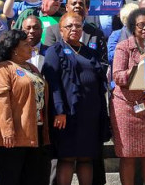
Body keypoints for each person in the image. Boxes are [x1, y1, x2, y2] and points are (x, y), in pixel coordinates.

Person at [42, 12, 110, 185]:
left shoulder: (89, 52)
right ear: (61, 30)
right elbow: (53, 83)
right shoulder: (54, 51)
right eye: (69, 26)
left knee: (86, 158)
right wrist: (59, 111)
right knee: (67, 158)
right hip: (67, 115)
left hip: (90, 115)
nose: (74, 29)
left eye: (78, 26)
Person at [0, 29, 50, 185]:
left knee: (35, 178)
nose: (31, 47)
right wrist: (7, 130)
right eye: (26, 44)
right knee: (11, 178)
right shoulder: (4, 69)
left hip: (36, 132)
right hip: (14, 135)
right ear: (14, 48)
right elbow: (1, 101)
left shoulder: (32, 68)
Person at [111, 8, 145, 185]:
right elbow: (117, 76)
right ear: (133, 27)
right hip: (126, 108)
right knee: (128, 156)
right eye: (141, 25)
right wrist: (138, 66)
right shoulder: (123, 47)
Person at [44, 0, 108, 65]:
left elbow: (103, 63)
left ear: (86, 9)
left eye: (81, 4)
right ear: (67, 7)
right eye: (74, 3)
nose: (77, 6)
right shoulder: (53, 31)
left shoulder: (96, 33)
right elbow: (48, 59)